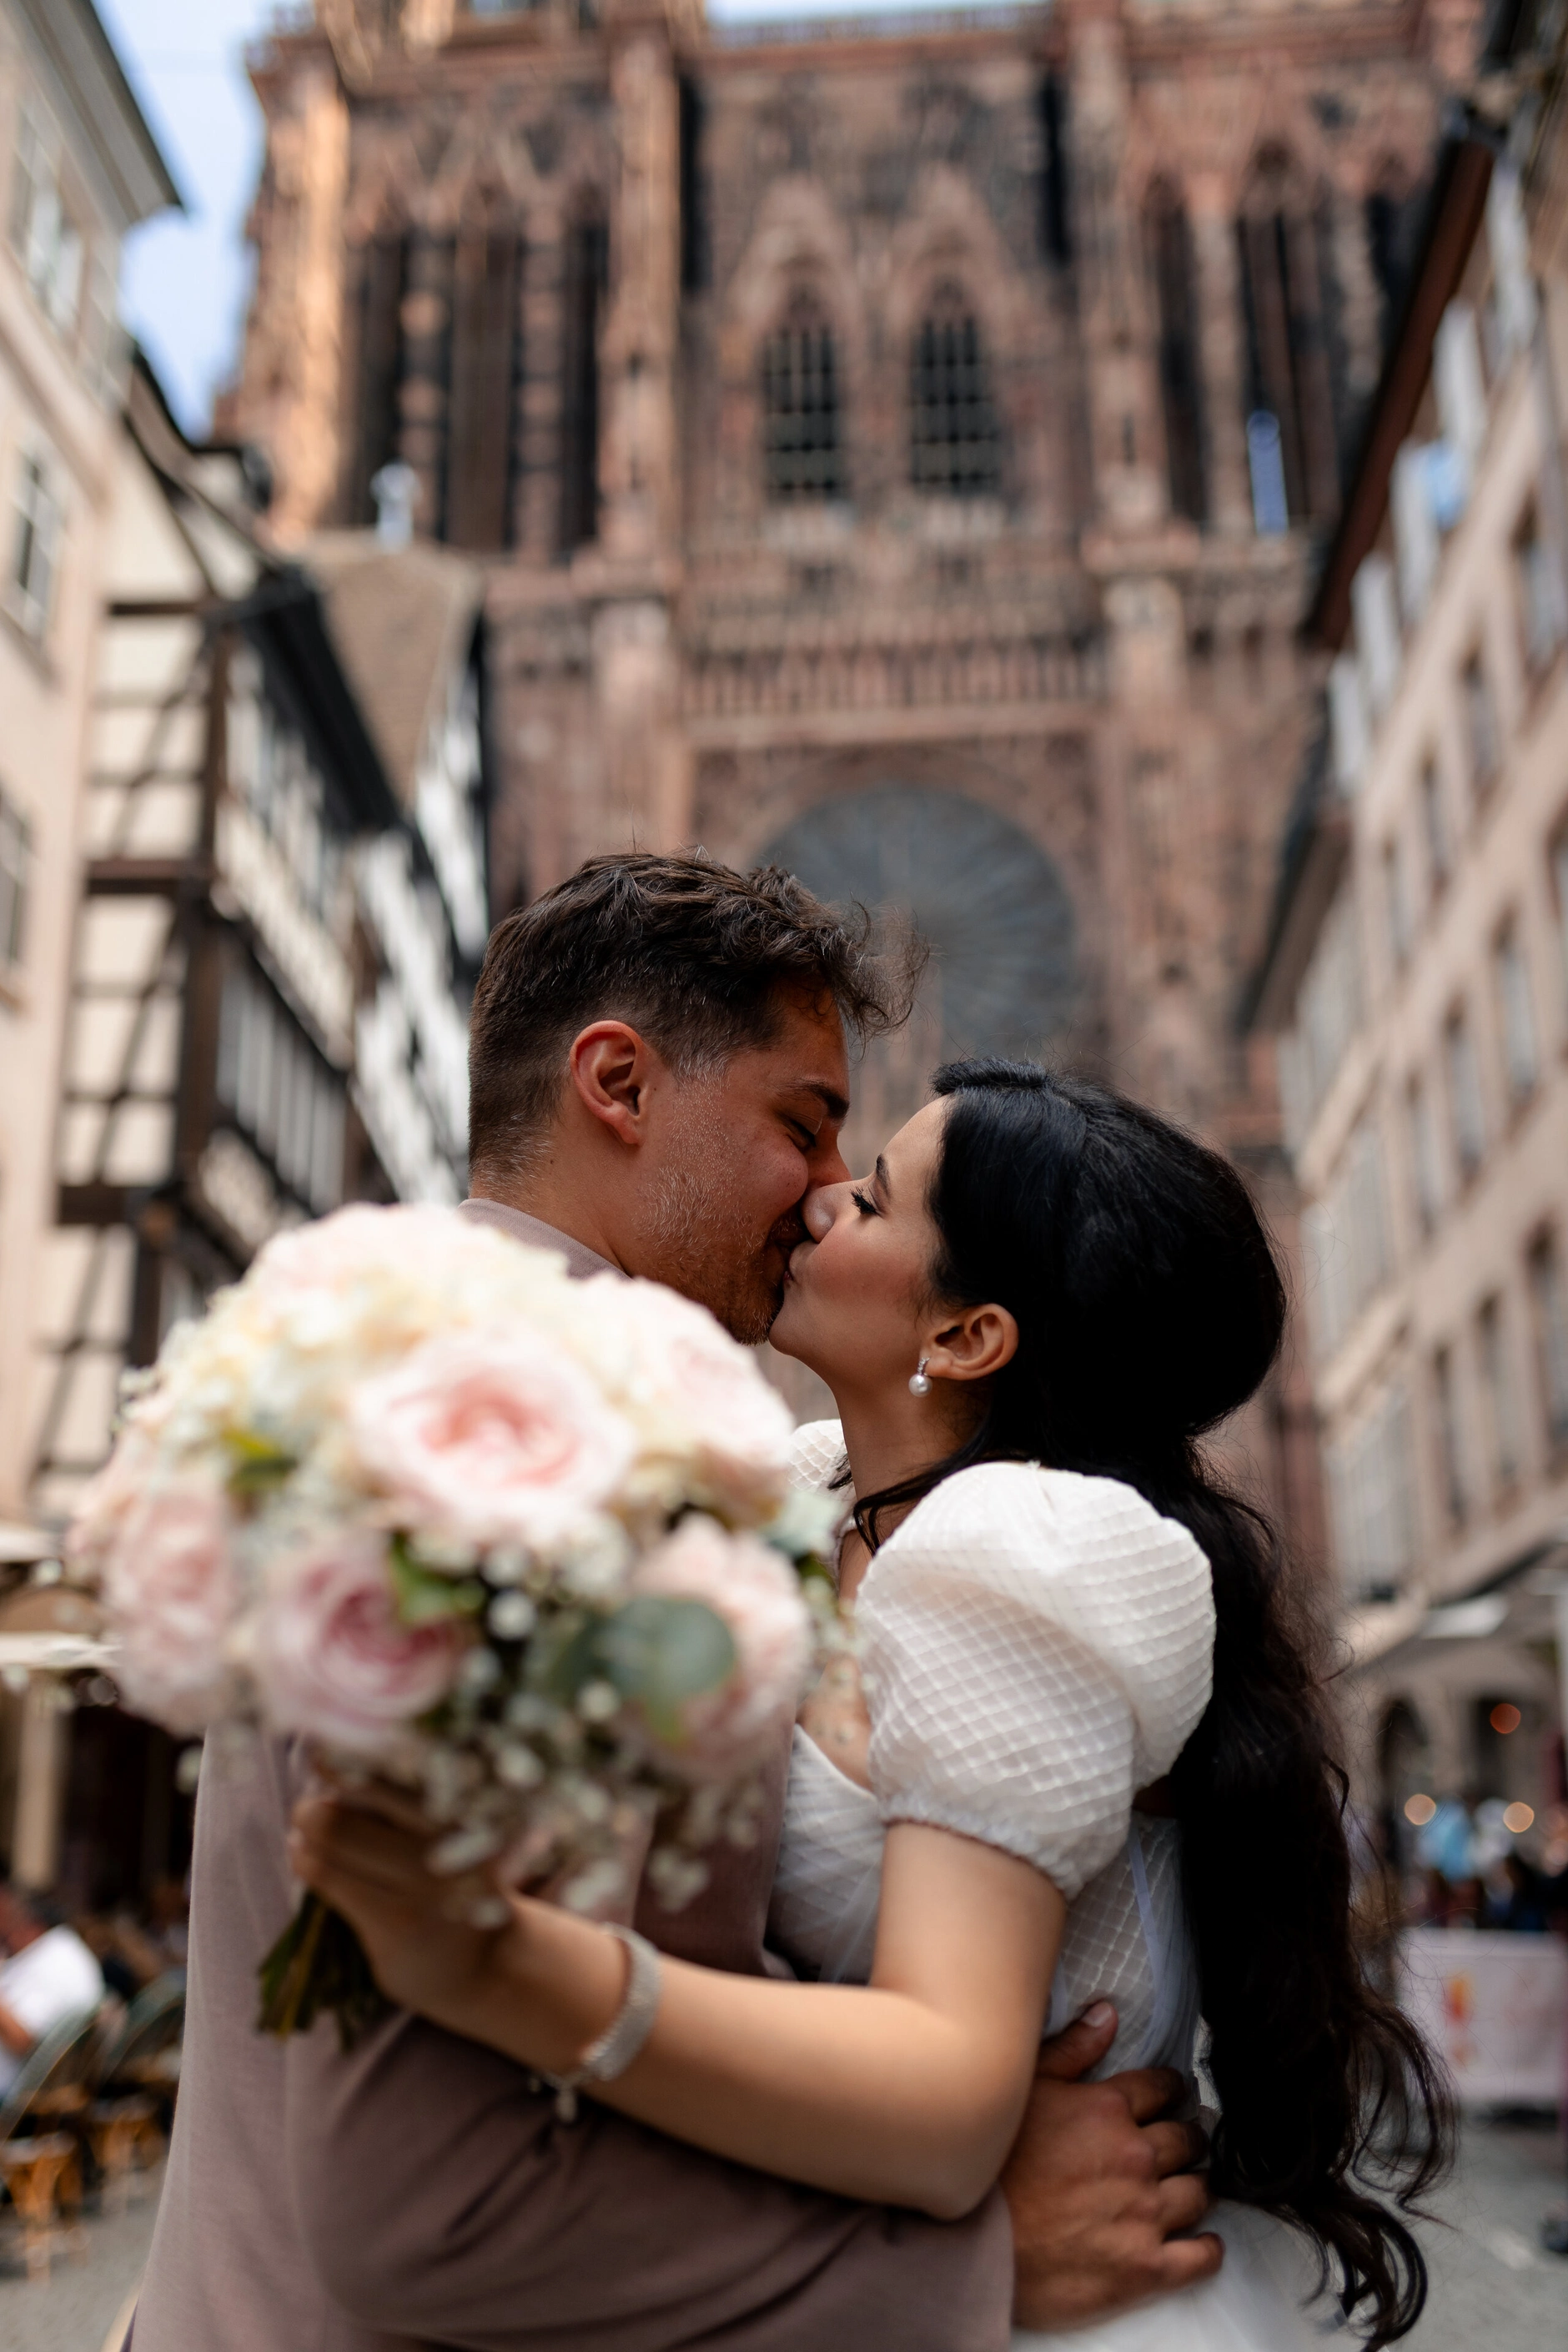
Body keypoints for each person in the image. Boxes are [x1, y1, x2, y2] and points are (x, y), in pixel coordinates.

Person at [130, 856, 1217, 2352]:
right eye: (802, 1121)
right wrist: (974, 2257)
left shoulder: (413, 1390)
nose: (829, 1189)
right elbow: (441, 2205)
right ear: (620, 1085)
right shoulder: (546, 1461)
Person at [294, 1061, 1454, 2349]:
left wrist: (503, 1964)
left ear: (968, 1335)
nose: (821, 1198)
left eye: (878, 1199)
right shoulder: (804, 1500)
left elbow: (943, 2092)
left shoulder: (1025, 1546)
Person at [0, 1879, 104, 2094]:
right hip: (44, 2088)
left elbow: (23, 2039)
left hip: (18, 2095)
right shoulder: (64, 1949)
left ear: (30, 1925)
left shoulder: (54, 1961)